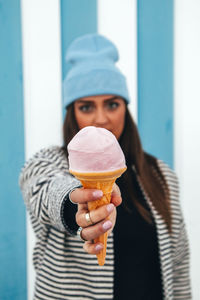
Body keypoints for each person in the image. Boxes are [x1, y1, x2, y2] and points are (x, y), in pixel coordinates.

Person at [19, 34, 191, 300]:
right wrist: (75, 202)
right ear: (72, 114)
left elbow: (178, 266)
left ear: (125, 108)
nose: (101, 118)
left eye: (112, 104)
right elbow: (44, 191)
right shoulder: (46, 162)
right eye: (86, 106)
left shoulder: (161, 174)